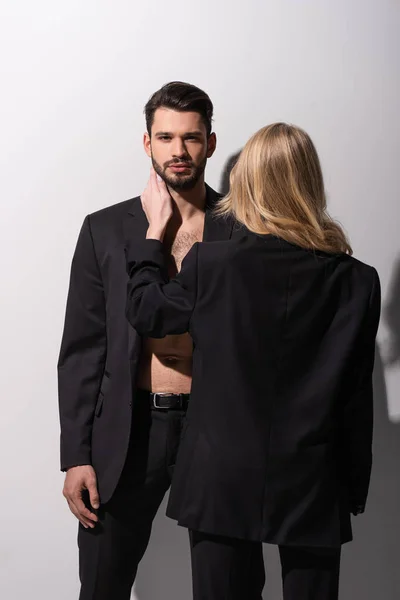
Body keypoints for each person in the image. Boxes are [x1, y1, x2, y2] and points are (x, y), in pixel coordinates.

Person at [125, 122, 381, 600]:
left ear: (247, 184)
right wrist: (353, 484)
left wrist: (152, 237)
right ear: (310, 183)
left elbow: (145, 311)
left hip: (219, 474)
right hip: (313, 477)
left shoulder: (211, 265)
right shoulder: (358, 281)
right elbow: (354, 393)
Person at [57, 81, 264, 599]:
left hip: (216, 428)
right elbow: (84, 349)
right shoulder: (104, 230)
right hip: (130, 431)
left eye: (191, 138)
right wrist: (76, 456)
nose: (178, 151)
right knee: (102, 584)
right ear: (146, 142)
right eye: (166, 137)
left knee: (230, 587)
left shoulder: (245, 228)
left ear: (211, 144)